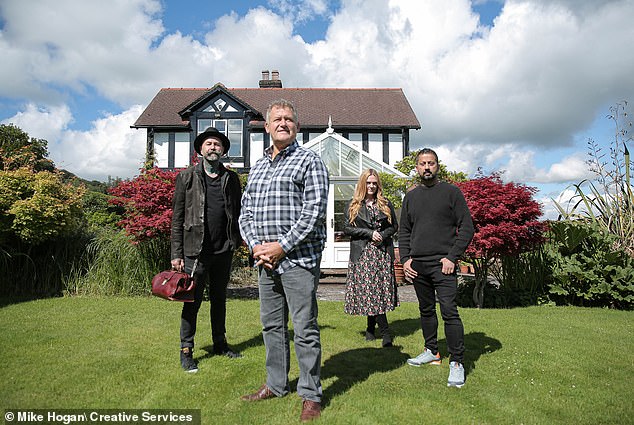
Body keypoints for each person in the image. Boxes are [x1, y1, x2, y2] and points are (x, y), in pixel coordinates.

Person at [238, 99, 329, 422]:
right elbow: (245, 211)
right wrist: (255, 246)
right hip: (265, 261)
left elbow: (314, 212)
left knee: (304, 329)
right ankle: (276, 385)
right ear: (267, 126)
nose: (283, 123)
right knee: (272, 326)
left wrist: (282, 246)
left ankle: (310, 395)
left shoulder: (309, 162)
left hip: (298, 260)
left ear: (297, 127)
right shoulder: (259, 166)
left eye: (289, 119)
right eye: (277, 119)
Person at [398, 148, 474, 388]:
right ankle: (432, 350)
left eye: (431, 163)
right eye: (422, 164)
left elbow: (467, 227)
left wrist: (452, 257)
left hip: (444, 265)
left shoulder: (451, 192)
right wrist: (406, 259)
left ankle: (457, 363)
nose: (427, 167)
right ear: (417, 167)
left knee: (449, 311)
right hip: (418, 265)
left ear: (438, 166)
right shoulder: (411, 196)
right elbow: (405, 231)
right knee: (426, 310)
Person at [171, 127, 243, 373]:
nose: (213, 147)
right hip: (195, 251)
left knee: (219, 300)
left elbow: (238, 213)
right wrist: (176, 253)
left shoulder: (231, 179)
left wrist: (238, 241)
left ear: (223, 150)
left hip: (223, 250)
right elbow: (177, 218)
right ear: (201, 149)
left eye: (217, 144)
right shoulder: (187, 177)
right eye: (209, 144)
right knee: (192, 301)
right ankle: (186, 350)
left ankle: (220, 344)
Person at [343, 169, 399, 347]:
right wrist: (369, 233)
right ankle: (386, 333)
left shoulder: (385, 203)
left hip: (382, 254)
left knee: (377, 291)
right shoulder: (353, 205)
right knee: (370, 291)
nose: (372, 186)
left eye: (374, 183)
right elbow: (347, 228)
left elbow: (394, 227)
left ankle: (370, 328)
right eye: (368, 183)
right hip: (363, 253)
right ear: (363, 184)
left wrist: (382, 235)